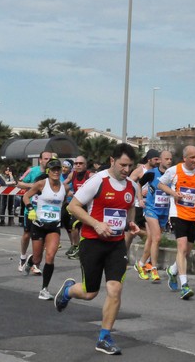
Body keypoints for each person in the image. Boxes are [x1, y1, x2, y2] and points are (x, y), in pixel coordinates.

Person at [54, 143, 141, 355]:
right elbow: (72, 206)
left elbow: (129, 209)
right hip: (92, 242)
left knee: (115, 289)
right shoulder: (98, 181)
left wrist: (131, 224)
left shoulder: (132, 186)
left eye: (129, 166)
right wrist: (96, 223)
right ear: (112, 161)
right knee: (90, 292)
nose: (126, 170)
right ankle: (67, 291)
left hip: (116, 245)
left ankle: (104, 337)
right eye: (122, 165)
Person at [158, 145, 195, 299]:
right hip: (178, 213)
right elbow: (160, 184)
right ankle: (184, 285)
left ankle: (172, 270)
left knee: (186, 251)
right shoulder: (174, 171)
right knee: (182, 248)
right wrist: (173, 193)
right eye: (192, 157)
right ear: (185, 158)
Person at [21, 158, 66, 300]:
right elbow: (26, 196)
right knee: (37, 259)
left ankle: (44, 289)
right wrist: (31, 209)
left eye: (58, 169)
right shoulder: (41, 184)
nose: (56, 172)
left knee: (50, 256)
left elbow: (63, 202)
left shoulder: (64, 187)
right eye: (53, 169)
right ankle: (30, 261)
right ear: (48, 171)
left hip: (53, 226)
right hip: (39, 225)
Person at [135, 150, 173, 282]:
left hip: (163, 212)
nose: (169, 161)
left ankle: (140, 264)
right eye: (166, 159)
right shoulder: (151, 173)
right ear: (160, 160)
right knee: (157, 238)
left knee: (151, 239)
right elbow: (138, 184)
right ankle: (153, 268)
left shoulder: (173, 175)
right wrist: (140, 199)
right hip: (151, 209)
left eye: (170, 159)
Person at [16, 150, 52, 274]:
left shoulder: (53, 173)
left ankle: (35, 264)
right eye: (46, 159)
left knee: (41, 239)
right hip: (31, 210)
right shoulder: (32, 171)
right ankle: (23, 257)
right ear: (40, 160)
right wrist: (34, 185)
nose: (48, 161)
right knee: (27, 235)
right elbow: (19, 183)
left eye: (50, 159)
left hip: (45, 211)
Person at [129, 149, 160, 277]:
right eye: (156, 159)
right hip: (140, 206)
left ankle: (144, 262)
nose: (158, 161)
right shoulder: (140, 170)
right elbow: (129, 184)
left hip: (153, 206)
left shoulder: (157, 172)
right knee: (150, 237)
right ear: (149, 160)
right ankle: (142, 263)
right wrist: (140, 195)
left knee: (151, 237)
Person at [63, 155, 93, 259]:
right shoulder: (73, 174)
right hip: (78, 205)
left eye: (81, 163)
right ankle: (76, 246)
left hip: (89, 205)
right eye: (76, 163)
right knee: (73, 226)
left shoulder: (90, 175)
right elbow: (63, 184)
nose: (78, 165)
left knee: (87, 227)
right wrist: (69, 192)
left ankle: (85, 249)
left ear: (85, 165)